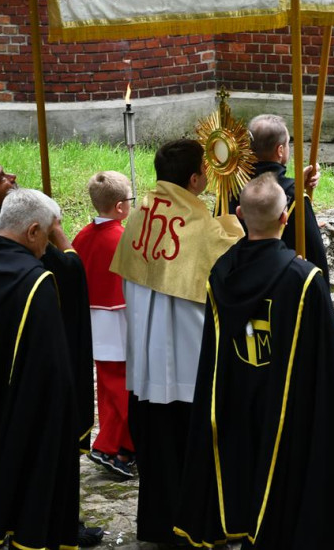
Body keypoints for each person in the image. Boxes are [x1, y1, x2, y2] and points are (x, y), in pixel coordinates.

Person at [174, 173, 334, 548]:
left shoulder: (220, 272)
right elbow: (326, 365)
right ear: (285, 218)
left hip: (236, 396)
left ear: (240, 215)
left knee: (243, 470)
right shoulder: (304, 280)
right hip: (286, 406)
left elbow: (213, 352)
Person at [0, 156, 101, 545]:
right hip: (18, 368)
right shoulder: (33, 274)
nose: (10, 177)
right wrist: (59, 236)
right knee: (26, 451)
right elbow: (68, 275)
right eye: (1, 178)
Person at [109, 138, 245, 544]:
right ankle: (195, 526)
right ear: (195, 178)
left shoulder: (140, 213)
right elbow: (235, 266)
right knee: (191, 449)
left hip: (145, 366)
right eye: (204, 171)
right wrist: (236, 224)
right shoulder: (200, 227)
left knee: (156, 451)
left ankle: (157, 524)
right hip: (188, 368)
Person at [72, 171, 136, 479]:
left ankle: (115, 445)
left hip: (92, 323)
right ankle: (113, 448)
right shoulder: (124, 239)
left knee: (109, 389)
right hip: (120, 322)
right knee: (124, 391)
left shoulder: (82, 236)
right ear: (121, 206)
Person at [229, 114, 327, 283]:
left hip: (236, 283)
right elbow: (316, 259)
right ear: (280, 150)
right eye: (288, 144)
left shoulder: (230, 188)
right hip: (282, 286)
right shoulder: (293, 197)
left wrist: (297, 185)